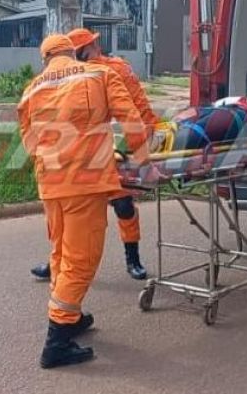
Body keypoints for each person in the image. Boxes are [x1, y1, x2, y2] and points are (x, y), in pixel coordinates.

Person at [18, 34, 147, 368]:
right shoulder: (99, 74)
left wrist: (51, 161)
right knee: (81, 259)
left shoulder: (32, 88)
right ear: (73, 52)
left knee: (61, 253)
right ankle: (56, 342)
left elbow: (28, 139)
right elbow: (131, 118)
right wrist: (144, 160)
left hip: (51, 184)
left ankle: (70, 318)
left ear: (45, 59)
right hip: (85, 183)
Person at [30, 27, 159, 281]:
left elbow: (138, 110)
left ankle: (133, 258)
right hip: (74, 154)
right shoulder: (67, 75)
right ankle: (58, 262)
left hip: (111, 147)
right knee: (64, 214)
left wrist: (143, 151)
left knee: (123, 204)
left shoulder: (114, 70)